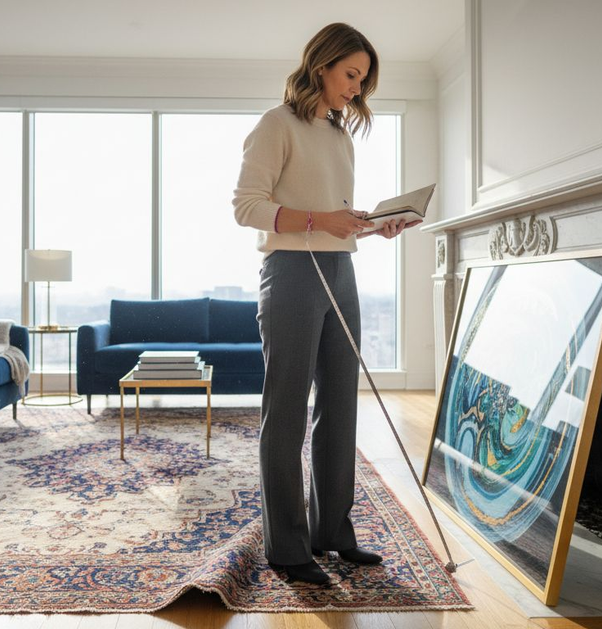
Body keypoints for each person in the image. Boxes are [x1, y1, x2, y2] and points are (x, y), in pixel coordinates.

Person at [232, 22, 418, 585]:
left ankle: (332, 532)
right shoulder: (276, 124)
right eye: (351, 75)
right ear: (322, 66)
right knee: (286, 409)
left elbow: (333, 218)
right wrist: (319, 220)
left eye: (363, 81)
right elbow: (246, 207)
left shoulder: (340, 136)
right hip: (290, 271)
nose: (356, 89)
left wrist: (373, 225)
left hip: (341, 268)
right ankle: (287, 547)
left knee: (340, 404)